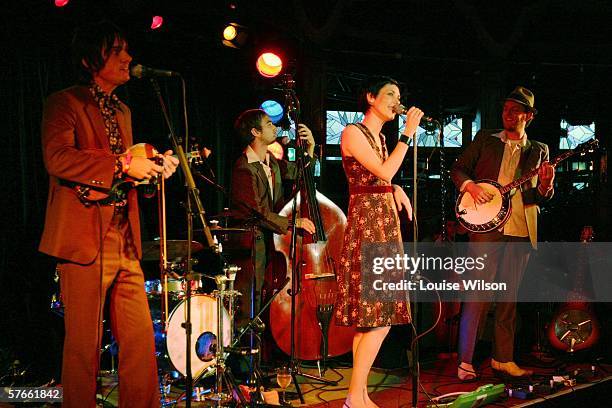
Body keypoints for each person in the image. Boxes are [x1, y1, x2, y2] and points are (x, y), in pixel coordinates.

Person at [38, 21, 179, 407]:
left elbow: (127, 173)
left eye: (126, 50)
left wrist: (151, 172)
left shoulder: (124, 111)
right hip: (83, 236)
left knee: (139, 341)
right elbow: (58, 158)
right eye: (117, 51)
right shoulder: (64, 102)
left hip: (124, 236)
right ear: (89, 59)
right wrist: (121, 164)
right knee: (84, 346)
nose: (128, 58)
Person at [450, 86, 555, 380]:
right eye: (506, 108)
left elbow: (538, 197)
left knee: (508, 299)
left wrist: (546, 185)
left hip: (520, 228)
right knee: (478, 296)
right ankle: (466, 362)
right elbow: (458, 170)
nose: (508, 114)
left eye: (515, 110)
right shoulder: (486, 139)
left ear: (529, 116)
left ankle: (502, 358)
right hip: (486, 228)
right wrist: (471, 188)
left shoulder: (539, 150)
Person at [335, 76, 422, 408]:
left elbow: (379, 177)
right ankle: (354, 397)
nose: (395, 101)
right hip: (368, 226)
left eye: (399, 96)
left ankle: (358, 395)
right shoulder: (353, 132)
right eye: (389, 94)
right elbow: (383, 172)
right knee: (380, 316)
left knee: (370, 320)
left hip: (382, 222)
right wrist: (408, 134)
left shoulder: (380, 138)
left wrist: (395, 189)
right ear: (371, 97)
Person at [230, 109, 316, 313]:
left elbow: (299, 174)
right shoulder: (244, 167)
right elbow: (257, 211)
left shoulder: (271, 161)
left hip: (272, 238)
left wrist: (310, 148)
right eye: (269, 123)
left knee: (270, 292)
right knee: (254, 294)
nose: (275, 127)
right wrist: (293, 222)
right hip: (254, 243)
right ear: (255, 132)